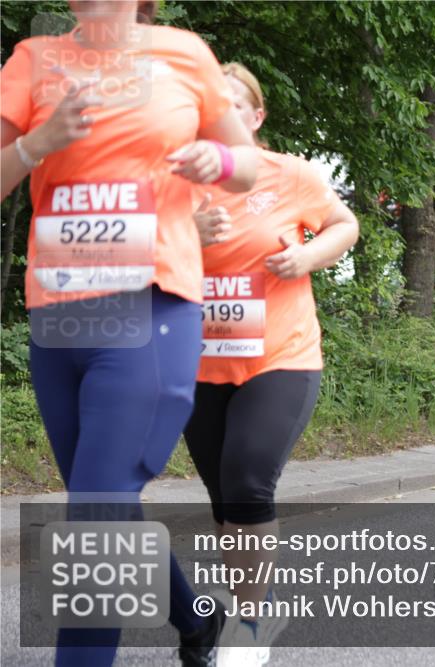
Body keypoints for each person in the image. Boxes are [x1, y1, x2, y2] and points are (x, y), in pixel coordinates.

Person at [0, 1, 258, 665]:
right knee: (103, 503)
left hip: (151, 310)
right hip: (59, 320)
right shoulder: (33, 61)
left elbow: (249, 165)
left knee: (95, 522)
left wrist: (218, 162)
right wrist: (35, 144)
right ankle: (196, 617)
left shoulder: (182, 54)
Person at [182, 62, 359, 667]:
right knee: (225, 501)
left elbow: (345, 224)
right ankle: (253, 599)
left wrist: (309, 254)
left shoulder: (291, 175)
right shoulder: (177, 181)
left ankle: (250, 625)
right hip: (200, 363)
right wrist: (186, 234)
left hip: (280, 357)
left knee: (249, 480)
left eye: (232, 106)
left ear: (255, 118)